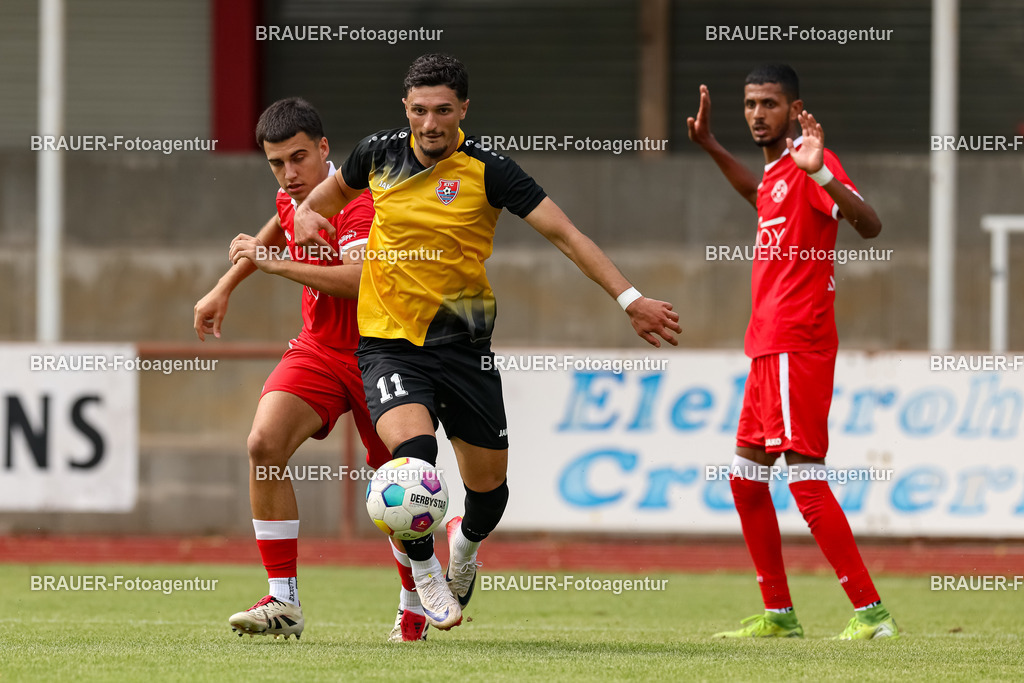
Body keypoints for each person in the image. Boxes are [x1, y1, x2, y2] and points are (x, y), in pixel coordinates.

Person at [293, 53, 681, 631]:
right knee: (411, 466)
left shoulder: (490, 170)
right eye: (419, 110)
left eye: (442, 110)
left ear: (464, 109)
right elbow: (322, 199)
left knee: (489, 495)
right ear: (406, 108)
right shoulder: (376, 152)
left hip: (464, 347)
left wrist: (631, 300)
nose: (430, 123)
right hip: (388, 343)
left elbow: (567, 235)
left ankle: (465, 546)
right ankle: (425, 575)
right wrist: (305, 214)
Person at [193, 97, 430, 643]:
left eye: (298, 158)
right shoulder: (291, 196)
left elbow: (360, 280)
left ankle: (414, 602)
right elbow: (275, 226)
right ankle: (283, 599)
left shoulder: (360, 203)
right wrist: (224, 286)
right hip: (319, 351)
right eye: (276, 163)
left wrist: (273, 265)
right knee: (263, 444)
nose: (289, 174)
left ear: (325, 149)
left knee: (400, 485)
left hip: (380, 355)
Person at [687, 65, 898, 640]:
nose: (757, 113)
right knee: (745, 478)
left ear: (794, 109)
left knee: (804, 477)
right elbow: (759, 196)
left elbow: (871, 225)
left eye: (770, 103)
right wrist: (710, 145)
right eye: (750, 103)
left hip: (795, 342)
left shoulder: (810, 164)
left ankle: (872, 615)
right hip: (767, 345)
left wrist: (823, 173)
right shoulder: (776, 173)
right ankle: (779, 614)